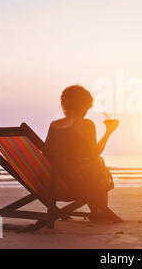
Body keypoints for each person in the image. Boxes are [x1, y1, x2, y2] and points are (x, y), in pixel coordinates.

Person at [44, 85, 122, 222]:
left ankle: (96, 209)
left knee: (92, 164)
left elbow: (47, 152)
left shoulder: (54, 124)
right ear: (83, 105)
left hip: (51, 183)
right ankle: (99, 210)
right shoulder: (86, 124)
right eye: (87, 106)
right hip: (75, 183)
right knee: (98, 161)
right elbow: (94, 153)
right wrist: (109, 132)